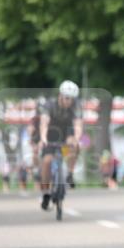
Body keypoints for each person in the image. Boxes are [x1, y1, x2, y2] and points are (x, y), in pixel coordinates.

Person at [38, 81, 83, 210]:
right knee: (47, 161)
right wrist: (43, 138)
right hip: (51, 134)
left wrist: (77, 139)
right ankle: (46, 193)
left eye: (72, 99)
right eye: (67, 98)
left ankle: (69, 173)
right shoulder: (49, 105)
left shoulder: (76, 106)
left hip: (67, 134)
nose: (70, 101)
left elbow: (78, 125)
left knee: (74, 144)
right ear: (60, 95)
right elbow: (44, 123)